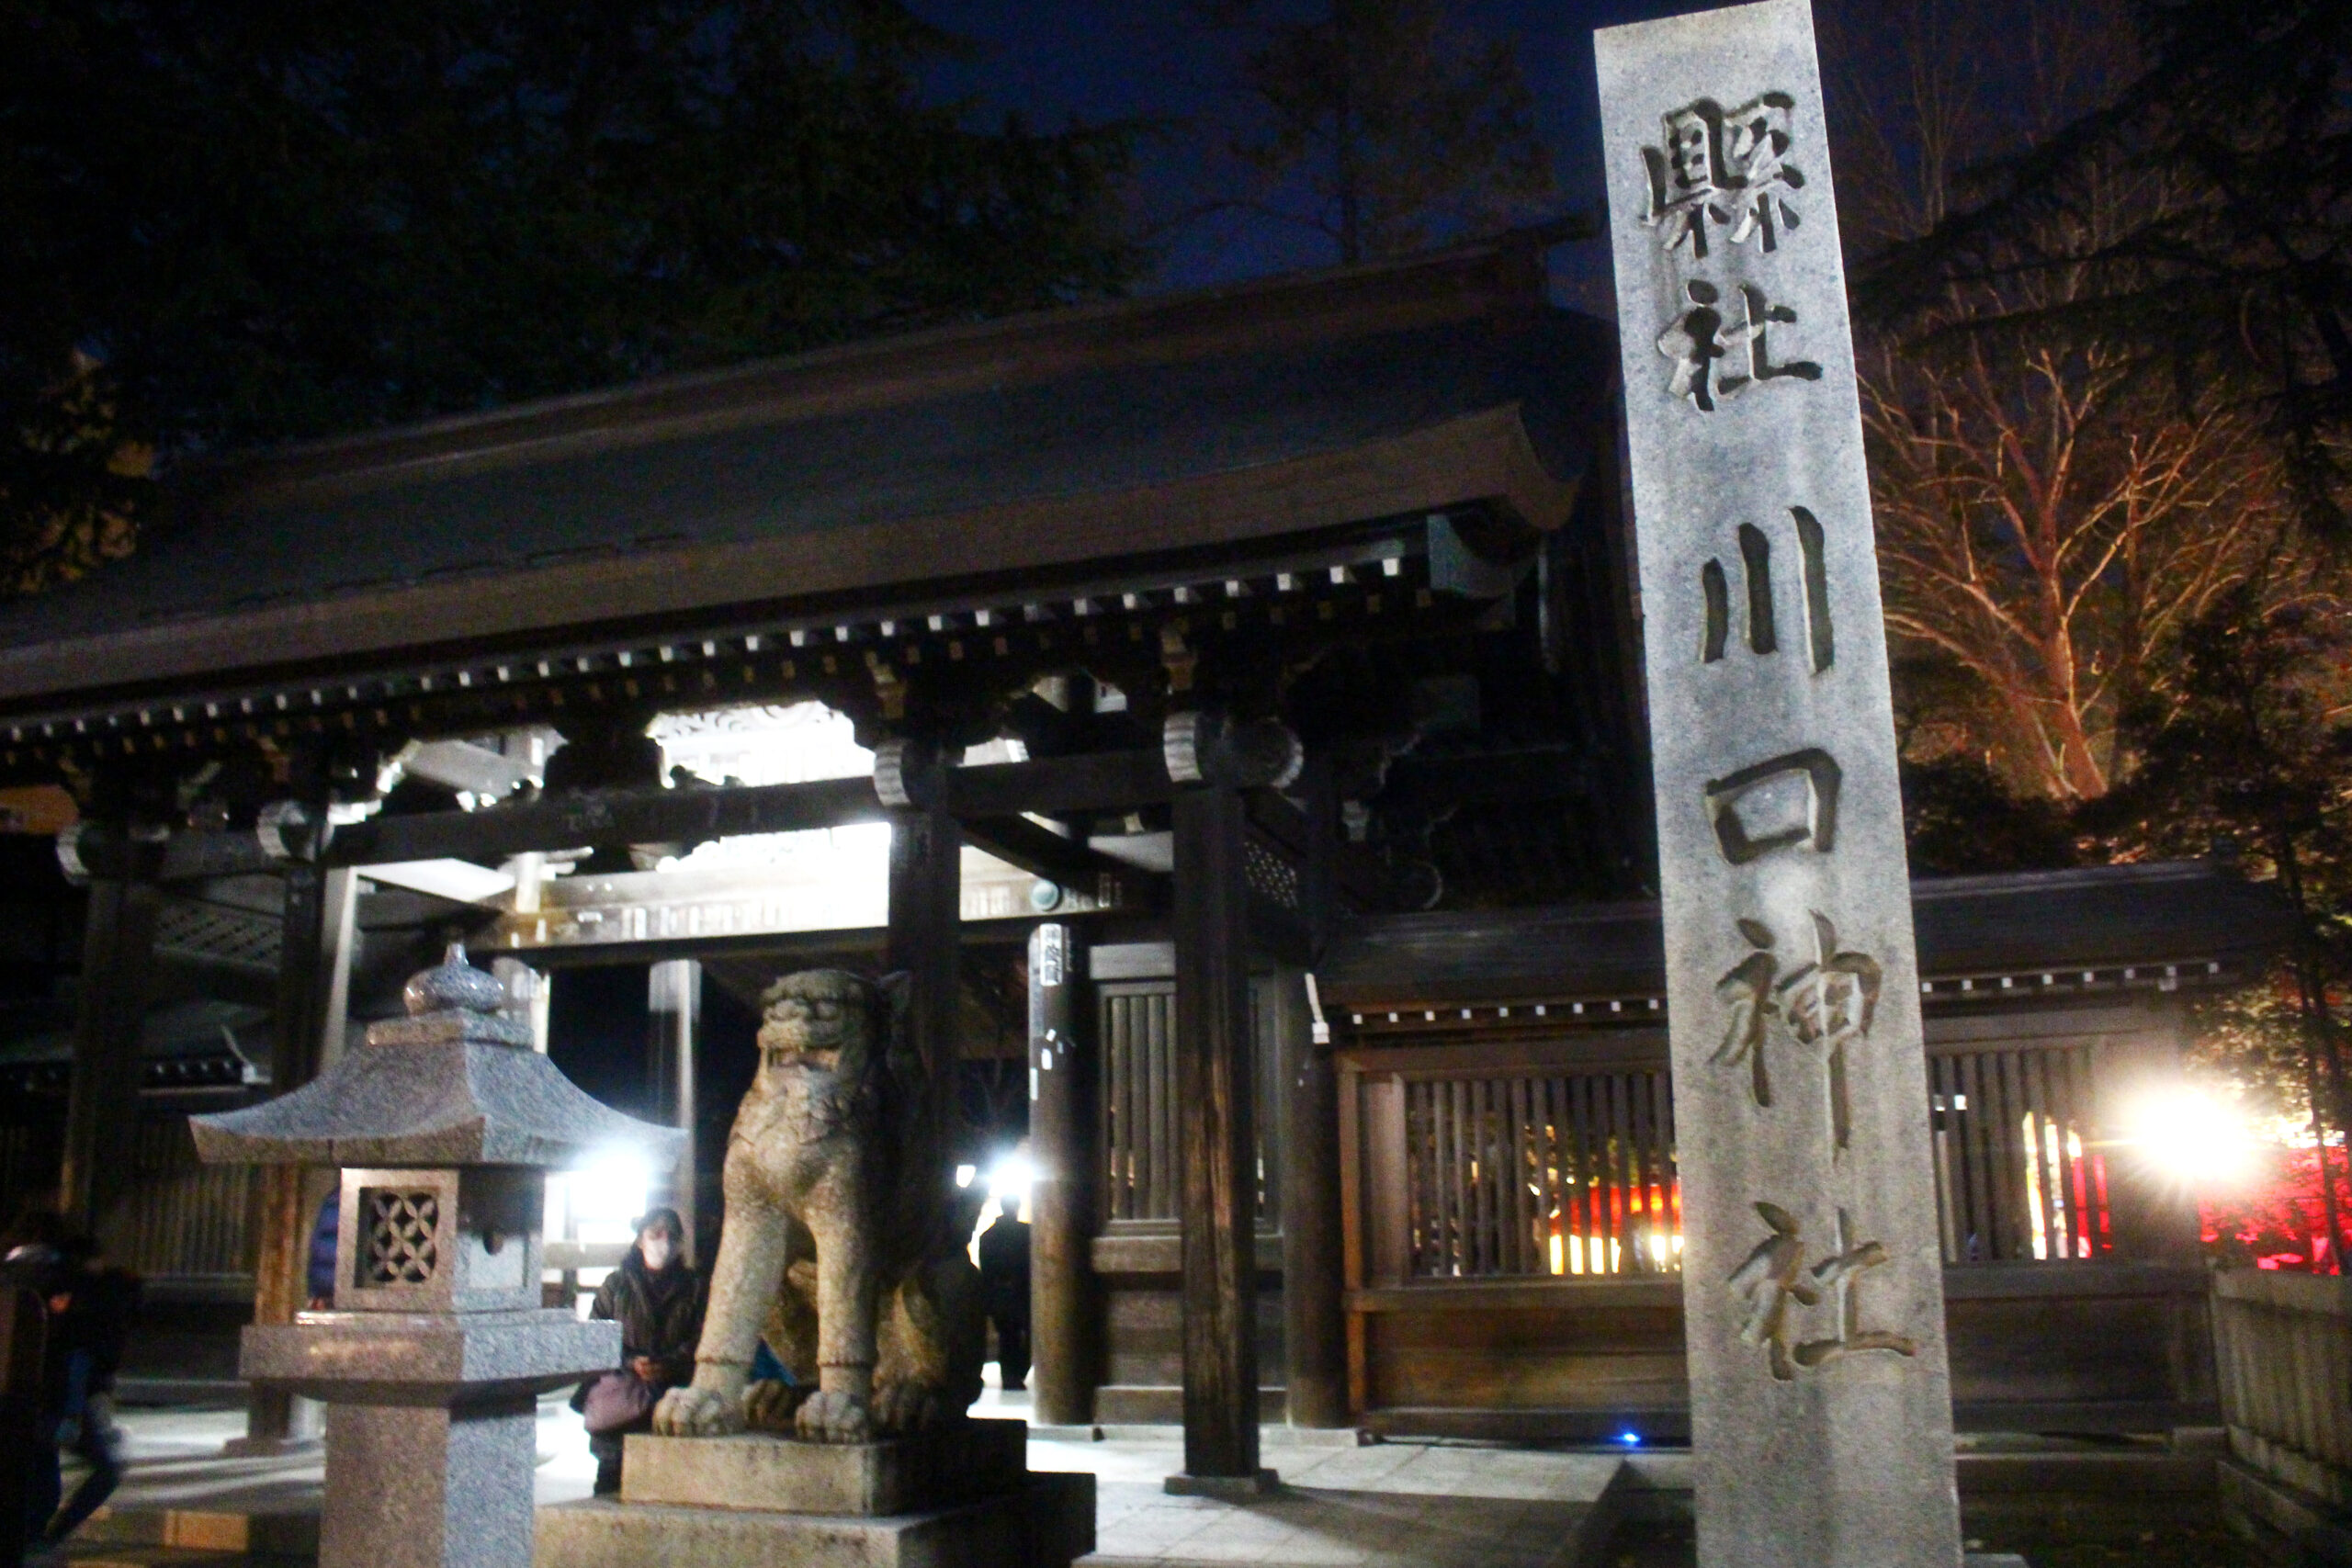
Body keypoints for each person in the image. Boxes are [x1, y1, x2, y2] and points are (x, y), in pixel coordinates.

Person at [576, 1210, 702, 1495]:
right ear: (640, 1241)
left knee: (667, 1487)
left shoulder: (694, 1287)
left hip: (672, 1397)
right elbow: (596, 1338)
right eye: (655, 1234)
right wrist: (631, 1362)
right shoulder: (616, 1285)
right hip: (622, 1401)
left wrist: (671, 1364)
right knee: (611, 1485)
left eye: (671, 1236)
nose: (663, 1242)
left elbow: (702, 1337)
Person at [35, 1233, 137, 1550]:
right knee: (105, 1471)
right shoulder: (92, 1300)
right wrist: (75, 1414)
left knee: (44, 1472)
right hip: (60, 1399)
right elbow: (79, 1361)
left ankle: (37, 1537)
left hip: (36, 1397)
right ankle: (47, 1537)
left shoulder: (48, 1291)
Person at [976, 1196, 1031, 1393]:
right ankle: (1015, 1375)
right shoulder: (1027, 1233)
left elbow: (986, 1271)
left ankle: (1010, 1376)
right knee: (1023, 1337)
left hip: (1001, 1294)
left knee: (1008, 1338)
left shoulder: (988, 1236)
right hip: (1023, 1293)